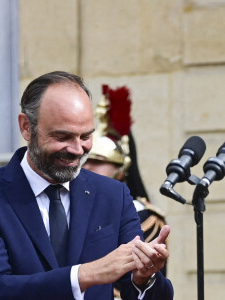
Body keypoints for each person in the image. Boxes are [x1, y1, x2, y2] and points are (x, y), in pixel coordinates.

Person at [0, 71, 173, 300]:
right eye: (62, 137)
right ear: (26, 127)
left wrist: (143, 278)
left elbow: (149, 294)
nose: (78, 150)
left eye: (86, 136)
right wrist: (86, 274)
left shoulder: (113, 195)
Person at [83, 84, 168, 299]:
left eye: (98, 161)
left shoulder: (145, 218)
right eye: (85, 161)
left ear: (121, 171)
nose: (88, 167)